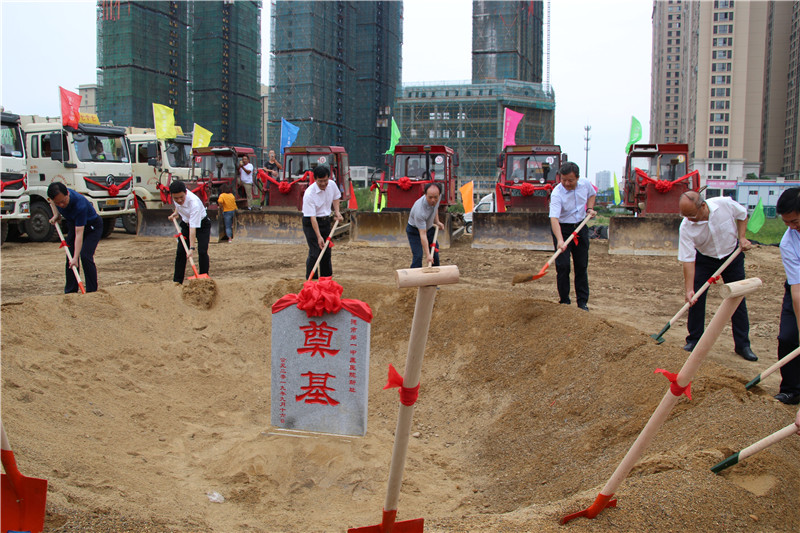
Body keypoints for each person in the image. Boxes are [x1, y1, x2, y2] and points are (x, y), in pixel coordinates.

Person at [678, 190, 757, 360]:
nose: (689, 219)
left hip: (731, 255)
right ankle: (694, 340)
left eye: (692, 215)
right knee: (696, 299)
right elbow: (688, 259)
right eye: (685, 216)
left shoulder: (724, 204)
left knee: (737, 299)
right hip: (705, 259)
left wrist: (742, 238)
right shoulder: (686, 227)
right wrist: (689, 289)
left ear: (703, 206)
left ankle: (743, 345)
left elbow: (742, 215)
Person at [548, 162, 596, 311]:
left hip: (580, 227)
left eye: (570, 180)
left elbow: (592, 194)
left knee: (581, 266)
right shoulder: (557, 193)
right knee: (563, 266)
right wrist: (560, 240)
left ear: (577, 178)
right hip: (562, 229)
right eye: (563, 180)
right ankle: (564, 301)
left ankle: (582, 303)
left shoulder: (585, 184)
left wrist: (589, 208)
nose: (566, 183)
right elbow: (554, 219)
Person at [47, 182, 104, 293]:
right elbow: (51, 202)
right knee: (70, 257)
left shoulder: (79, 204)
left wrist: (75, 258)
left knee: (85, 256)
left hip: (92, 227)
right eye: (58, 203)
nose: (61, 205)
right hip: (74, 224)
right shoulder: (56, 200)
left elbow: (79, 234)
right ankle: (71, 291)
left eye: (63, 201)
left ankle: (92, 291)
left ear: (67, 193)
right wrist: (56, 215)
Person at [773, 187, 800, 404]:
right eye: (787, 223)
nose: (792, 227)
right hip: (797, 288)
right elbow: (797, 290)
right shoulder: (788, 242)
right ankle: (791, 389)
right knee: (789, 337)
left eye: (796, 221)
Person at [302, 164, 342, 279]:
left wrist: (337, 212)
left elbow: (336, 197)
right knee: (315, 252)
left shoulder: (332, 185)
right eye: (320, 181)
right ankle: (311, 282)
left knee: (326, 253)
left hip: (325, 221)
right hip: (311, 223)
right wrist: (319, 236)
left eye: (325, 180)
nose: (323, 184)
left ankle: (326, 280)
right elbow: (312, 218)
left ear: (328, 178)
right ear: (315, 179)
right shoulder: (309, 194)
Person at [168, 180, 210, 283]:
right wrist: (176, 213)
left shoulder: (194, 203)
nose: (179, 200)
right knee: (181, 252)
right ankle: (177, 282)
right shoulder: (176, 196)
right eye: (176, 198)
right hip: (186, 225)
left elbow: (193, 228)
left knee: (202, 251)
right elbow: (179, 205)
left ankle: (204, 280)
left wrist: (191, 248)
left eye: (181, 197)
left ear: (186, 193)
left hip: (202, 225)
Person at [406, 182, 445, 268]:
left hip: (429, 227)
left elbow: (435, 208)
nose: (433, 200)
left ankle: (434, 277)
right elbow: (423, 235)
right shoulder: (419, 210)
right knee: (418, 255)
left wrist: (437, 221)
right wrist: (428, 255)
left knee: (434, 253)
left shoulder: (437, 198)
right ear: (425, 195)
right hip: (415, 231)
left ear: (439, 195)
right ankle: (415, 277)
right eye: (430, 197)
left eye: (435, 197)